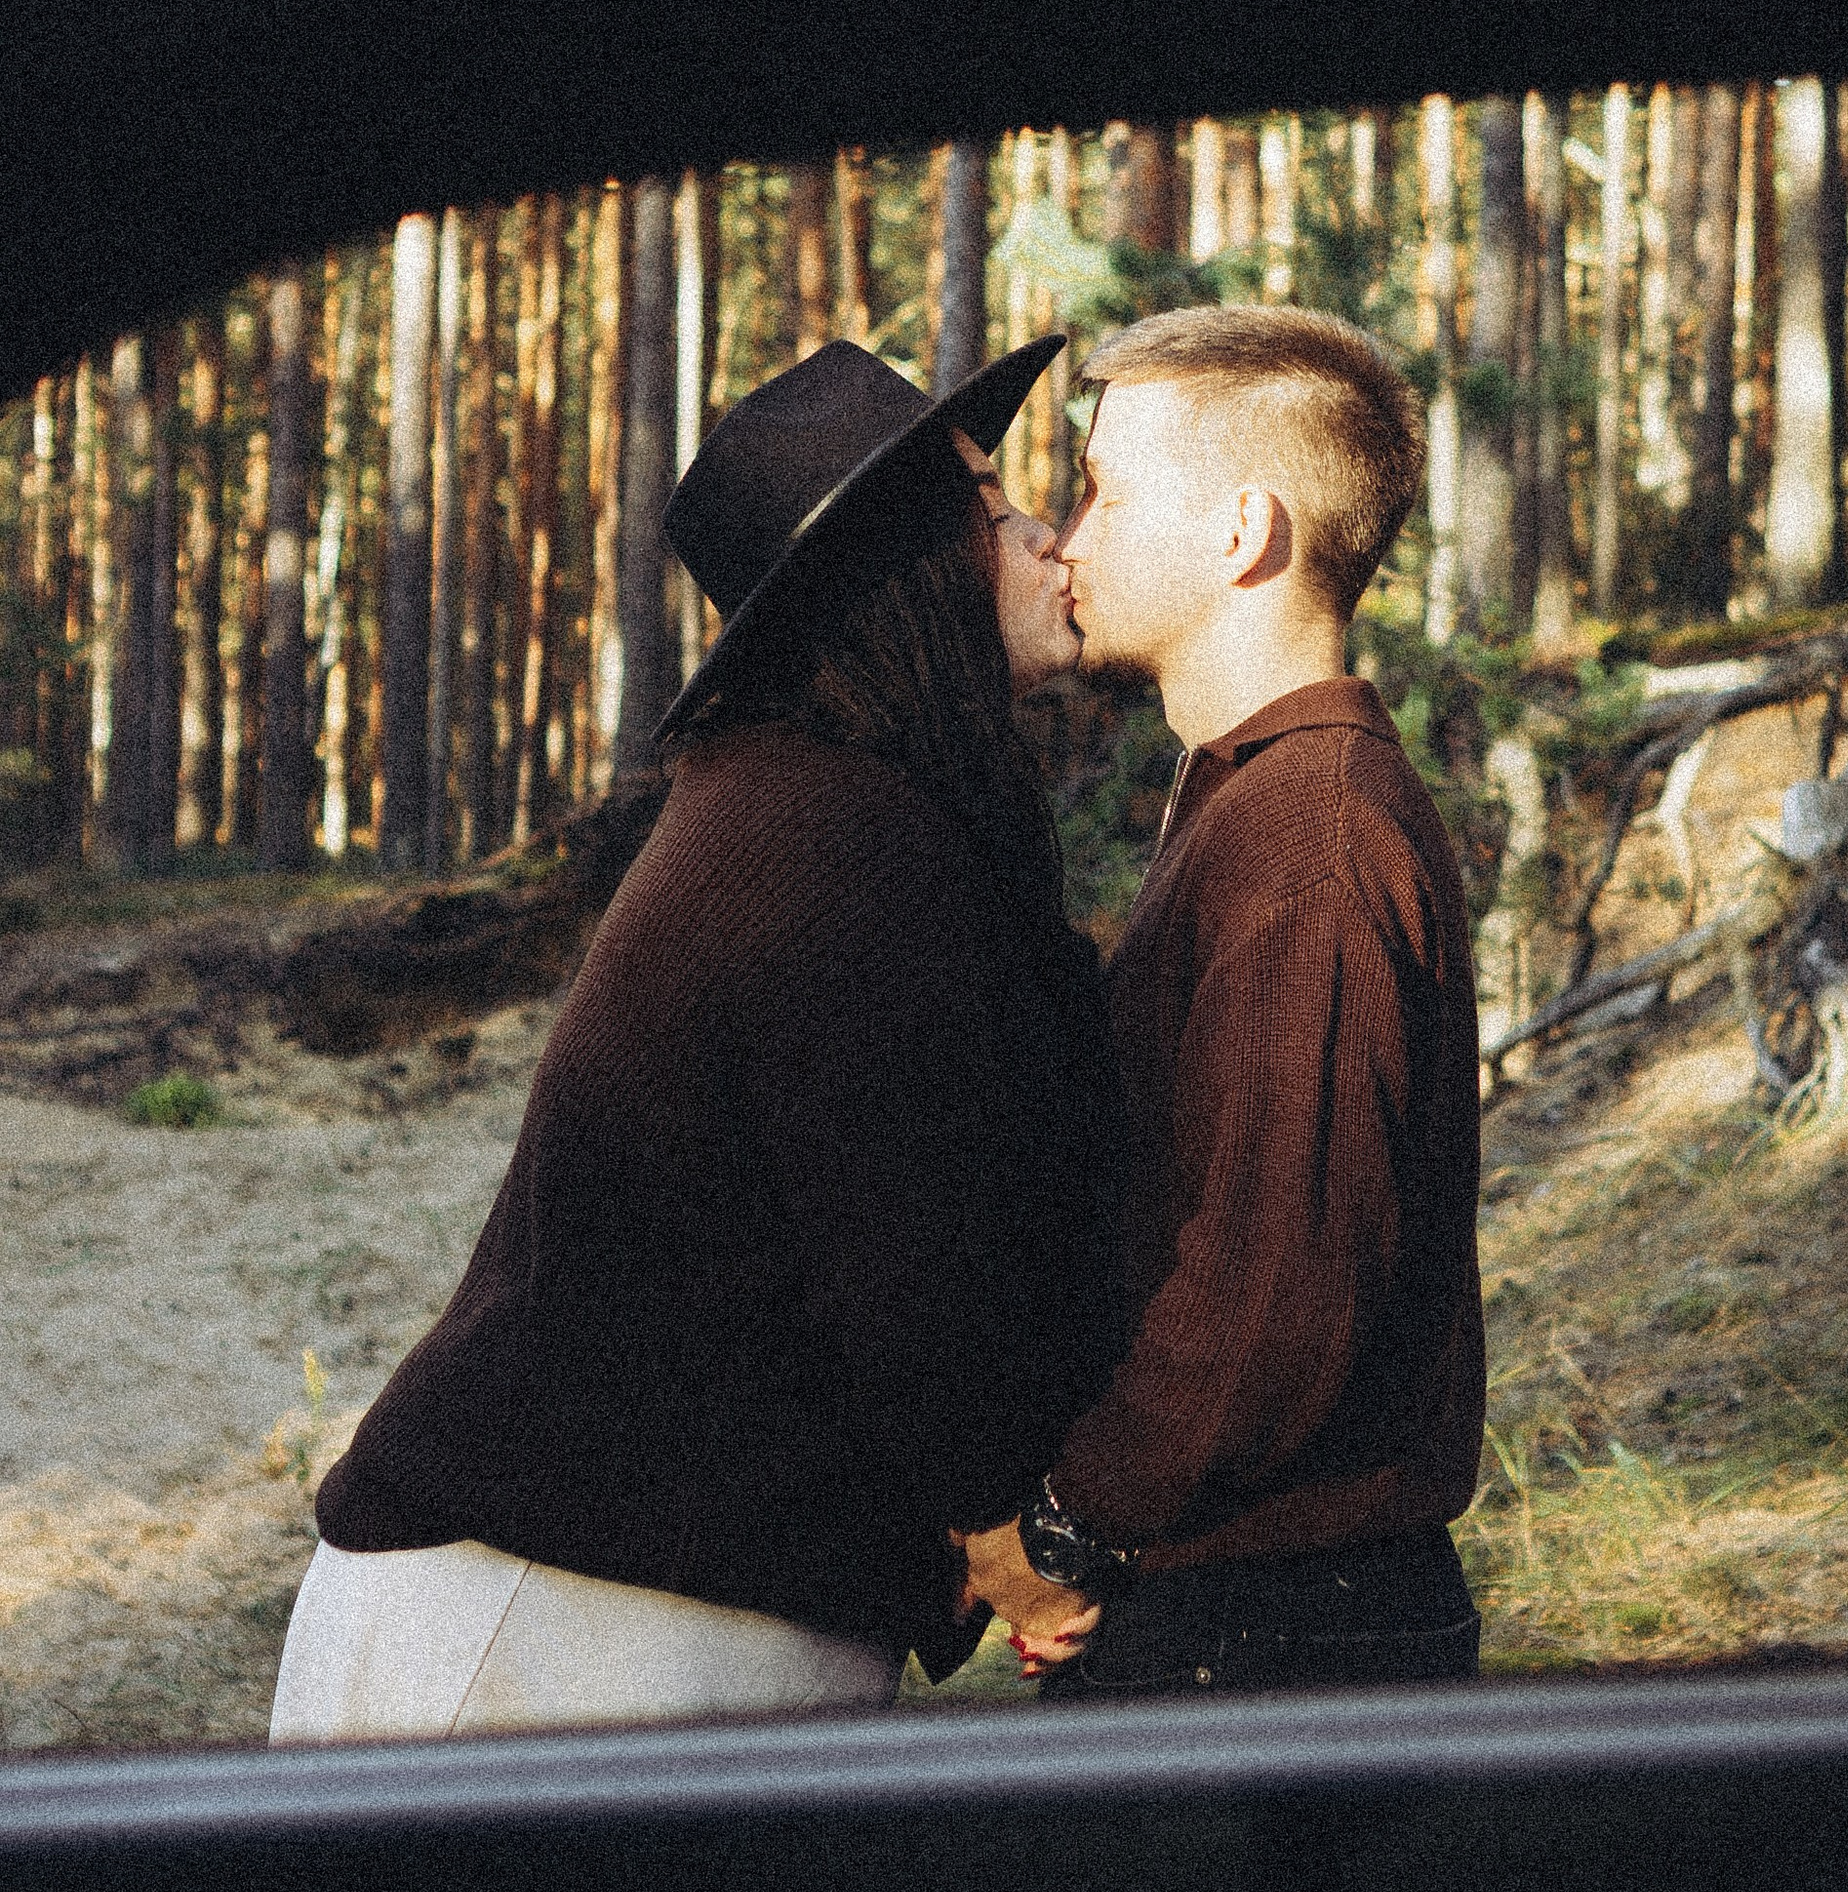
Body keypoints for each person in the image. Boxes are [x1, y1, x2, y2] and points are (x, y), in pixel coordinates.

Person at [270, 330, 1121, 1740]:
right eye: (990, 504)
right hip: (564, 1632)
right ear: (901, 573)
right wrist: (998, 1542)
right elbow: (914, 1264)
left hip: (622, 1613)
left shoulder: (817, 804)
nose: (1043, 534)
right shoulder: (844, 839)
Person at [958, 304, 1487, 1695]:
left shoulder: (1311, 835)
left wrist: (1063, 1531)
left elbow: (1274, 1297)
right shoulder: (1256, 799)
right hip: (1243, 1611)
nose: (1066, 538)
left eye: (1105, 490)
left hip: (1277, 1632)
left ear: (1244, 533)